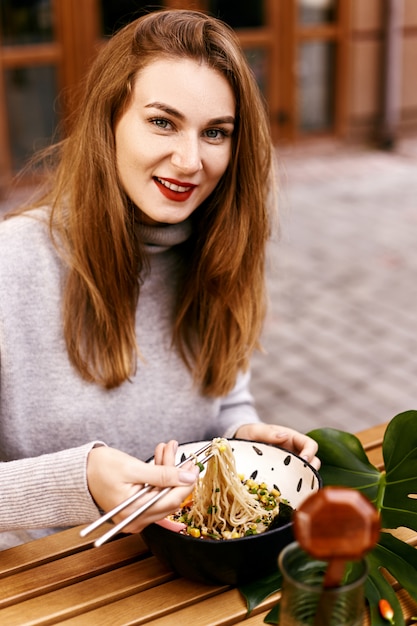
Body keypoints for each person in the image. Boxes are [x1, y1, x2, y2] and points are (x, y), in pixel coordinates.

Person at [0, 9, 319, 549]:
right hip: (45, 586)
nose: (190, 160)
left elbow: (224, 399)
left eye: (215, 132)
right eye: (162, 122)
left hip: (182, 579)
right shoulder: (12, 266)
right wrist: (79, 481)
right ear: (110, 120)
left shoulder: (222, 253)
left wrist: (240, 437)